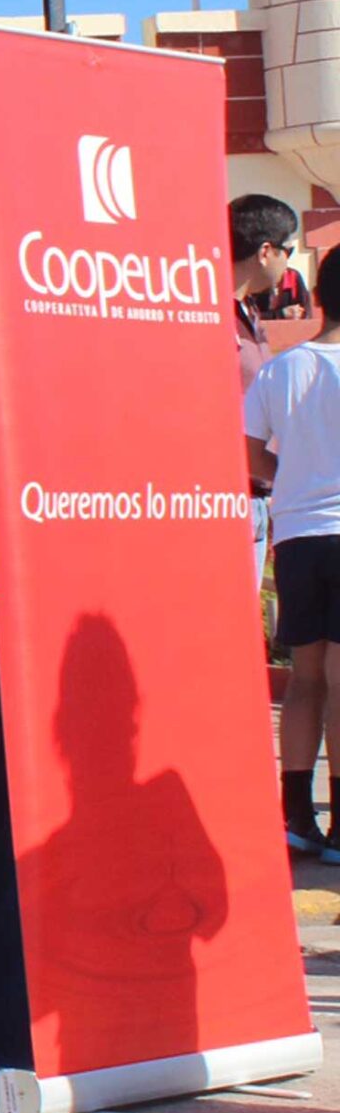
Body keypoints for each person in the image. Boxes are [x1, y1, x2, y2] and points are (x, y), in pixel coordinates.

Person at [244, 255, 340, 862]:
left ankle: (297, 815)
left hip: (299, 538)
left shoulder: (282, 369)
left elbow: (250, 451)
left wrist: (294, 482)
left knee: (306, 680)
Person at [229, 194, 300, 394]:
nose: (287, 263)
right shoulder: (211, 314)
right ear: (265, 252)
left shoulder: (249, 309)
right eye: (289, 251)